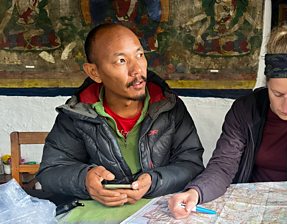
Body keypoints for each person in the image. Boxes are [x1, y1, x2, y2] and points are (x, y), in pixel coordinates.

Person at [169, 5, 287, 219]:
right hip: (251, 209)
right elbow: (223, 166)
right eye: (278, 94)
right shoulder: (246, 109)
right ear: (267, 83)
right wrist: (195, 192)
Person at [36, 23, 204, 207]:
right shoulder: (78, 113)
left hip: (158, 211)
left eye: (140, 55)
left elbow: (191, 164)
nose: (137, 70)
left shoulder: (168, 107)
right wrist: (84, 179)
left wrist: (154, 181)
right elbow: (50, 172)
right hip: (98, 214)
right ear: (94, 72)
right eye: (121, 61)